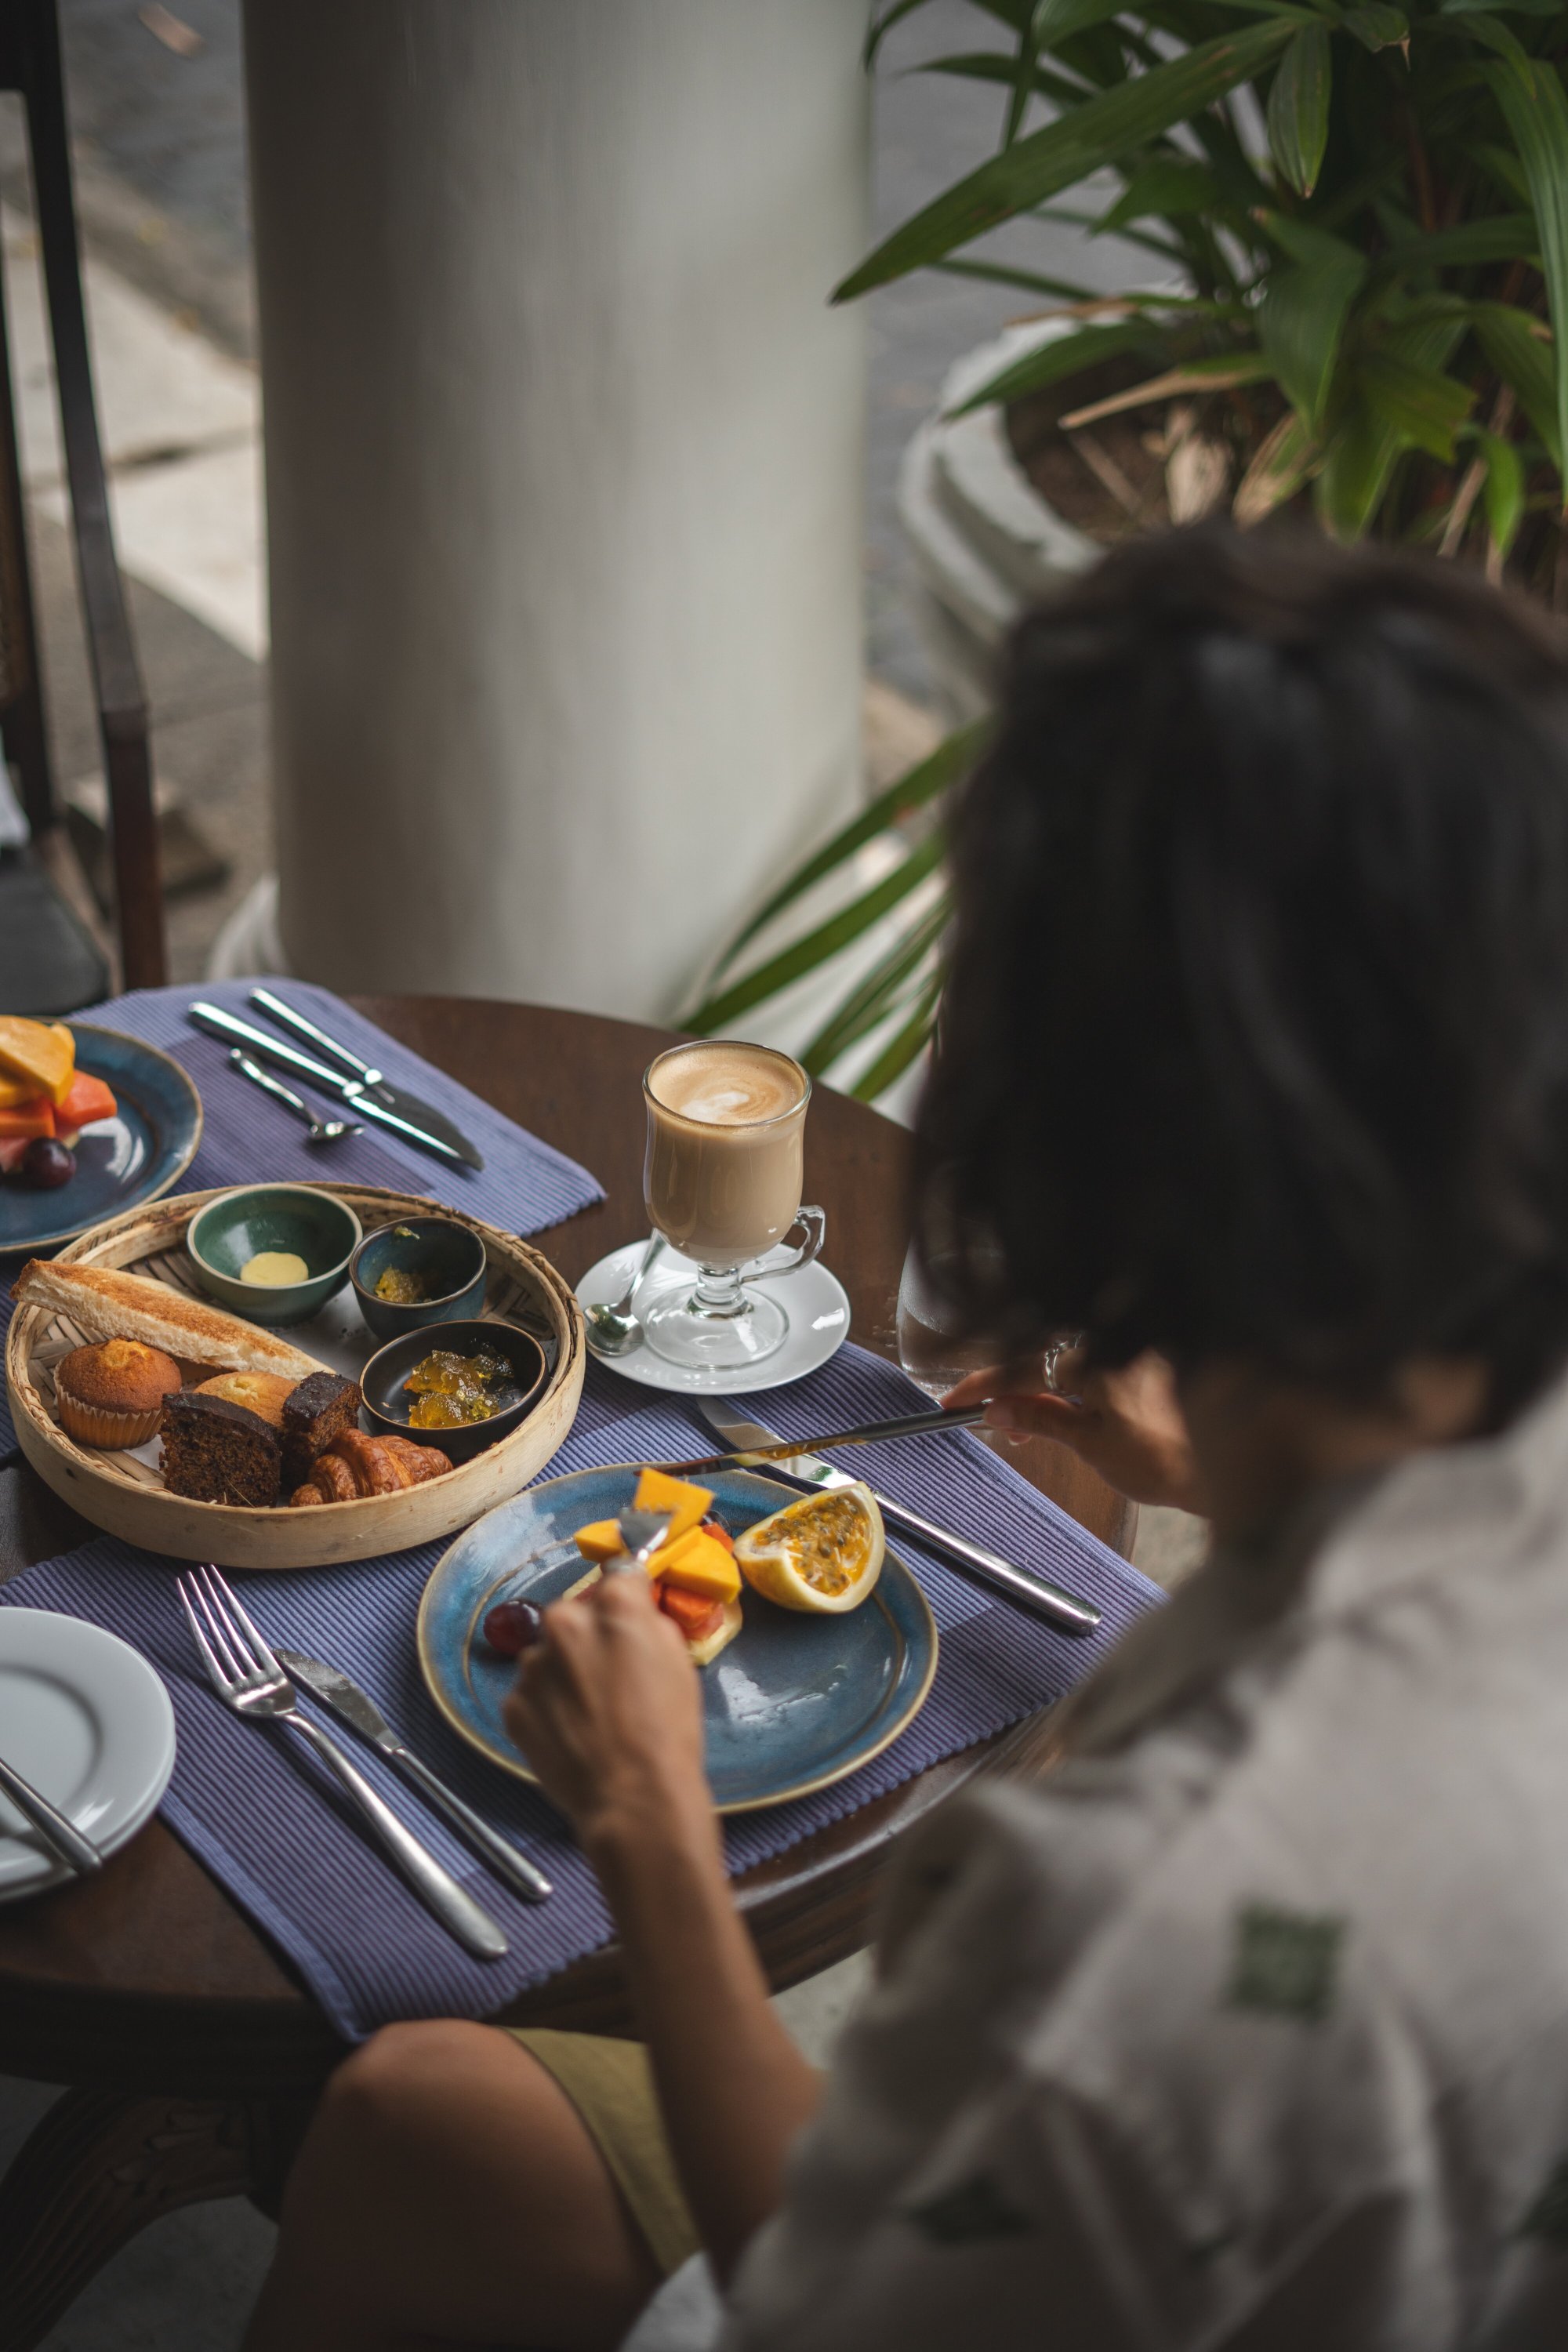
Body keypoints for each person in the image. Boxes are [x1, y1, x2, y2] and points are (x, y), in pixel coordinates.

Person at [245, 529, 1568, 2351]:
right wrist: (1216, 1463)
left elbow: (821, 2297)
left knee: (399, 2112)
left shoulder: (1139, 1919)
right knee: (419, 2121)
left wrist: (647, 1825)